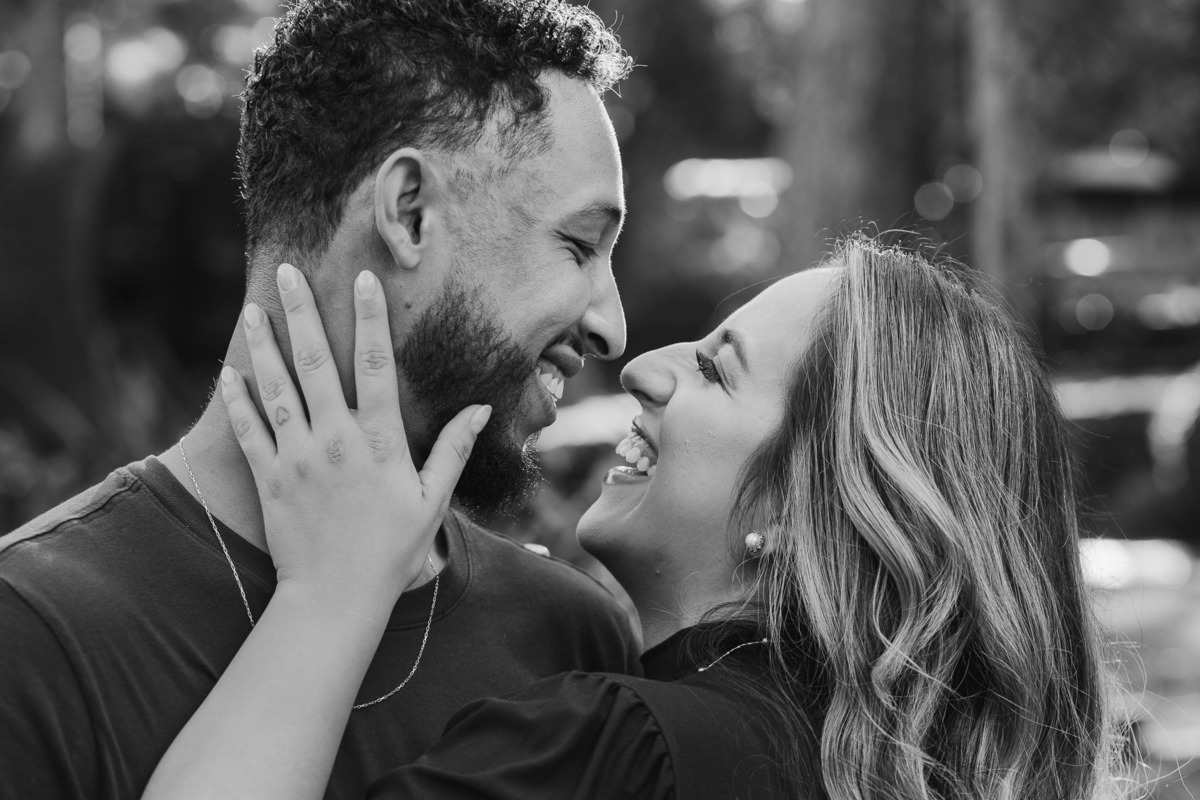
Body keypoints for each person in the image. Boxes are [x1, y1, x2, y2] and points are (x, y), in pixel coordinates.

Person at [144, 236, 1128, 800]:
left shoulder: (622, 754)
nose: (648, 365)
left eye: (714, 367)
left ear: (800, 509)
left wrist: (327, 590)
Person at [0, 3, 642, 798]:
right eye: (577, 246)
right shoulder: (32, 636)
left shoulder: (571, 637)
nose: (611, 327)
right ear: (408, 210)